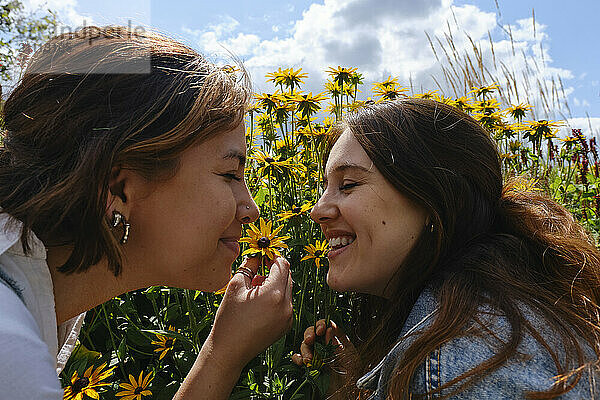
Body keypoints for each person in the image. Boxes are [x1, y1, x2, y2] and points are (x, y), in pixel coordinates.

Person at [0, 25, 293, 400]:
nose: (251, 209)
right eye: (230, 174)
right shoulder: (10, 355)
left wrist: (223, 356)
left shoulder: (30, 305)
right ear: (118, 189)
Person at [293, 98, 600, 399]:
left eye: (347, 185)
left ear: (433, 200)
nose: (317, 210)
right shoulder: (497, 315)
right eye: (324, 187)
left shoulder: (464, 365)